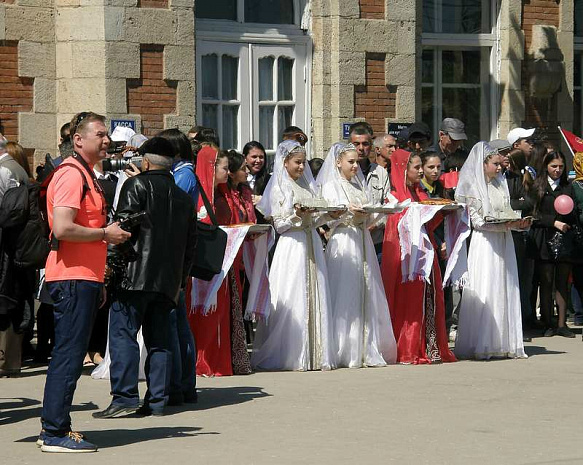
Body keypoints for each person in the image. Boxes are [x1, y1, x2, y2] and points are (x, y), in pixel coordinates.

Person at [39, 112, 131, 452]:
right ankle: (54, 432)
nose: (106, 141)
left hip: (83, 277)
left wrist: (99, 275)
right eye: (100, 135)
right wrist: (105, 234)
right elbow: (62, 228)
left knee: (70, 353)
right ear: (79, 140)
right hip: (72, 278)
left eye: (106, 135)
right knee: (68, 355)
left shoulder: (84, 174)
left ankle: (55, 428)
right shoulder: (71, 175)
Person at [93, 136, 197, 419]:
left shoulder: (136, 185)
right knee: (160, 340)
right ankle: (158, 400)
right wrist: (180, 280)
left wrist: (110, 271)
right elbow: (190, 247)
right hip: (167, 281)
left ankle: (125, 397)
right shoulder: (184, 199)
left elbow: (122, 230)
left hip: (133, 276)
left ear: (146, 162)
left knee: (123, 335)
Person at [251, 140, 337, 371]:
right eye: (297, 162)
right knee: (294, 292)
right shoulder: (280, 187)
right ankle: (293, 352)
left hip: (310, 242)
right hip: (292, 245)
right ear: (285, 162)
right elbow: (279, 225)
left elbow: (315, 218)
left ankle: (316, 352)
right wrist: (296, 214)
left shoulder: (308, 186)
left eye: (303, 162)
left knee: (315, 291)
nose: (301, 167)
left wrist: (329, 215)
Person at [317, 142, 397, 367]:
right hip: (344, 241)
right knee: (346, 291)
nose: (354, 166)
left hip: (363, 241)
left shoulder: (359, 186)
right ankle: (345, 347)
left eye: (356, 162)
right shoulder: (332, 185)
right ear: (338, 162)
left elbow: (368, 217)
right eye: (350, 162)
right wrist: (346, 210)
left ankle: (366, 346)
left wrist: (379, 211)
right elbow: (329, 216)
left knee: (367, 288)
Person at [454, 142, 530, 359]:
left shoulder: (500, 184)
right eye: (495, 164)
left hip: (504, 241)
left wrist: (516, 223)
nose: (499, 168)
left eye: (500, 164)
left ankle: (503, 340)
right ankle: (483, 341)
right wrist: (504, 225)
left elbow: (506, 210)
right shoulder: (474, 187)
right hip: (485, 243)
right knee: (488, 285)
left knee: (505, 286)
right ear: (483, 163)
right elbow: (477, 222)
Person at [380, 149, 457, 364]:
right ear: (403, 170)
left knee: (429, 296)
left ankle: (429, 345)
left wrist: (440, 211)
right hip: (407, 258)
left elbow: (428, 225)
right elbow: (397, 228)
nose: (421, 171)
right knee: (410, 302)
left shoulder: (421, 193)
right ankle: (408, 347)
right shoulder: (394, 197)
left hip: (425, 252)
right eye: (416, 167)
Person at [190, 148, 255, 376]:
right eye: (224, 168)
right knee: (207, 312)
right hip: (208, 262)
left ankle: (221, 360)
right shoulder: (201, 195)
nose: (228, 173)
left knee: (222, 312)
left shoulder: (224, 193)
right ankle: (204, 361)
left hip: (226, 260)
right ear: (211, 168)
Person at [158, 128, 199, 405]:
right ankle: (184, 383)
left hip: (175, 253)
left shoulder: (183, 174)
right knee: (179, 320)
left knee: (175, 322)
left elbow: (172, 210)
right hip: (179, 251)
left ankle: (180, 383)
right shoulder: (184, 172)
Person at [528, 151, 577, 338]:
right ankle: (548, 322)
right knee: (546, 282)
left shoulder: (567, 186)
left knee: (562, 283)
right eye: (553, 166)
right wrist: (553, 222)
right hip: (543, 238)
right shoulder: (538, 186)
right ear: (546, 166)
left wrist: (567, 222)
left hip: (564, 238)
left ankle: (562, 323)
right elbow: (533, 214)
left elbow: (572, 210)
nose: (557, 170)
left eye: (561, 167)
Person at [0, 139, 32, 377]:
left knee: (6, 300)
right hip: (20, 246)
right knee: (16, 300)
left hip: (7, 246)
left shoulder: (4, 170)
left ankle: (6, 360)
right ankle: (12, 360)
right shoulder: (18, 168)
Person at [349, 123, 391, 255]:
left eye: (365, 144)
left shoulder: (380, 173)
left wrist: (376, 224)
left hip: (375, 242)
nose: (361, 148)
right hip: (350, 240)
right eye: (356, 144)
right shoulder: (341, 174)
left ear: (371, 146)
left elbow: (388, 207)